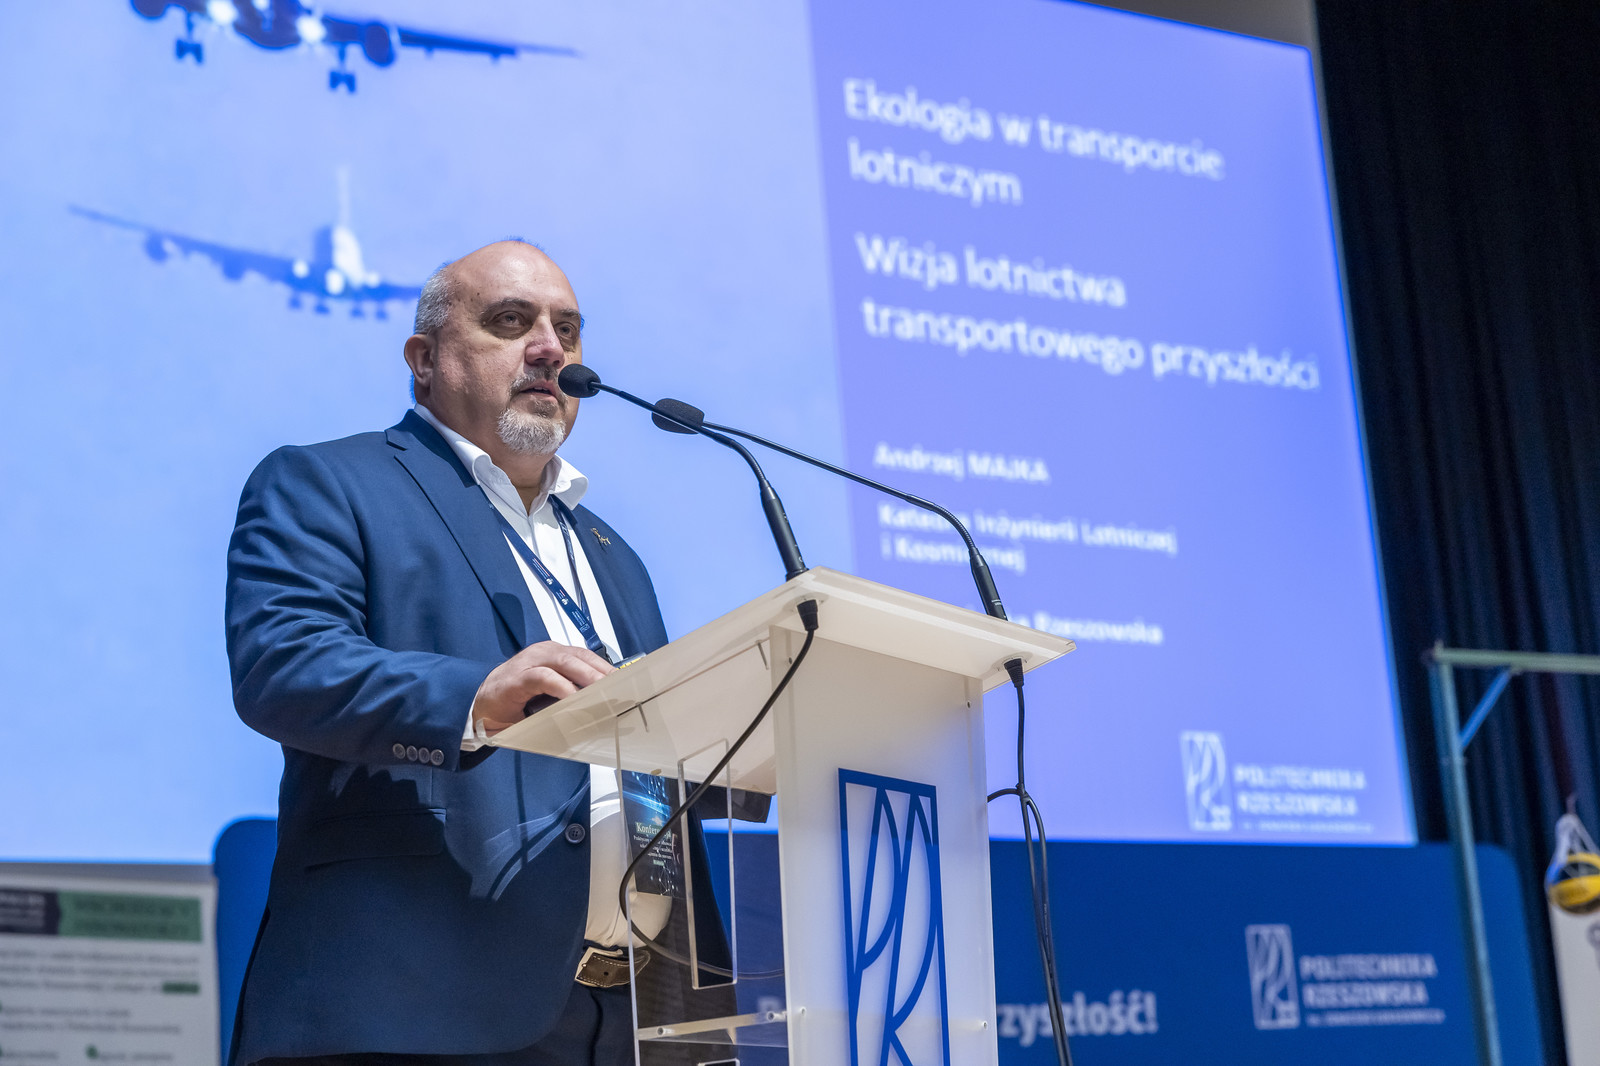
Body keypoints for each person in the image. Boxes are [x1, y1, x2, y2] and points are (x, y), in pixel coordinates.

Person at [225, 240, 722, 1065]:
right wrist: (473, 699)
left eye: (568, 329)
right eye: (511, 321)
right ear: (424, 360)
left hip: (632, 1020)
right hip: (416, 1005)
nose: (550, 349)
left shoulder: (612, 553)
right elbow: (284, 666)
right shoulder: (329, 484)